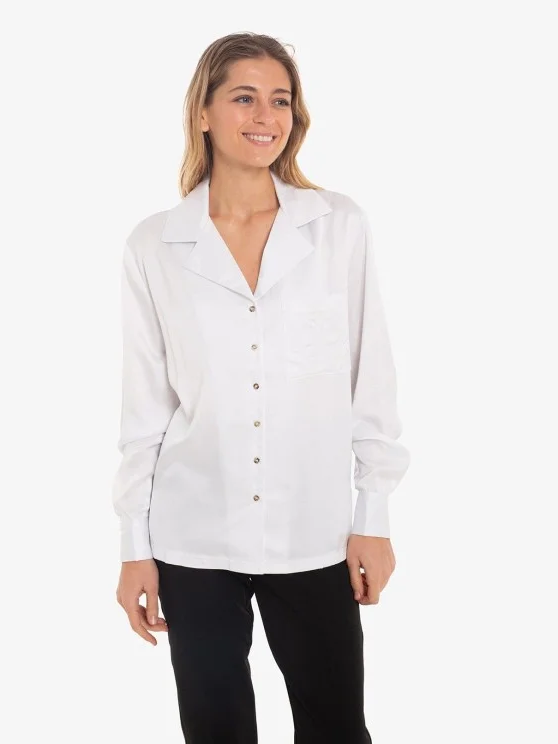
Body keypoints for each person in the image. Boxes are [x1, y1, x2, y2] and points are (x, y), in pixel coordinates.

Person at [112, 31, 410, 744]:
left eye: (280, 100)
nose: (265, 116)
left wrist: (374, 514)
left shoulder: (337, 227)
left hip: (314, 531)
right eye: (244, 97)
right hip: (194, 537)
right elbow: (145, 407)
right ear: (203, 112)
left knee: (336, 727)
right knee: (215, 732)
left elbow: (371, 379)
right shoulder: (155, 244)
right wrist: (132, 545)